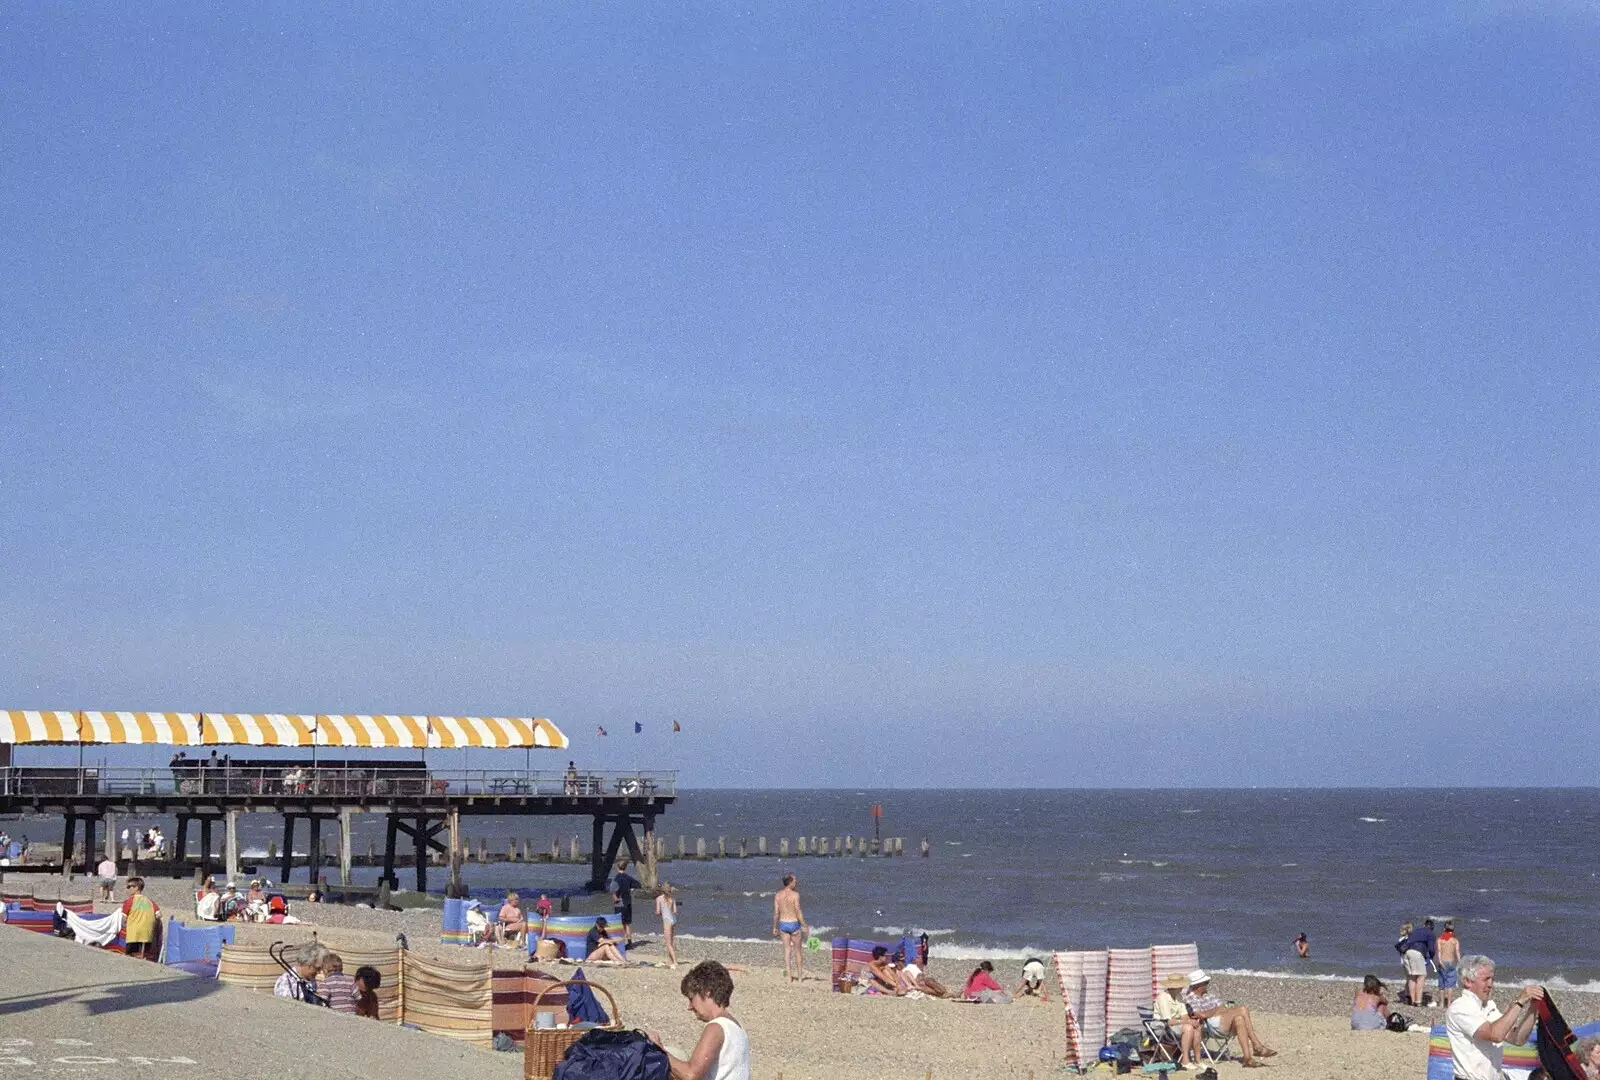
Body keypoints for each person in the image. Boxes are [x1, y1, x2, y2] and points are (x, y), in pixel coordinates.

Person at [648, 960, 749, 1080]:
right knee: (676, 1055)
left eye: (691, 999)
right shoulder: (736, 1027)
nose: (690, 1007)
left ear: (707, 993)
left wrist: (658, 1048)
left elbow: (691, 1075)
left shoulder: (717, 1027)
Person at [1445, 954, 1541, 1080]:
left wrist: (1533, 1009)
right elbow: (1495, 1034)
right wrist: (1520, 1001)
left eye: (1492, 979)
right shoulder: (1460, 1008)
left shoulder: (1489, 1006)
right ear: (1468, 981)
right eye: (1486, 979)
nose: (1491, 984)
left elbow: (1517, 1039)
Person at [1183, 970, 1276, 1068]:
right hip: (1209, 1026)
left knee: (1239, 1018)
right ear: (1198, 985)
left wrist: (1213, 1012)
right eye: (1205, 983)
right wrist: (1216, 1010)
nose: (1207, 985)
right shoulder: (1190, 998)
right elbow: (1201, 1015)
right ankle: (1257, 1045)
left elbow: (1223, 1008)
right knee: (1242, 1010)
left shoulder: (1208, 995)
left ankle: (1247, 1058)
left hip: (1220, 1021)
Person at [1154, 973, 1203, 1069]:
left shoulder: (1179, 997)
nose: (1182, 988)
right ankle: (1185, 1060)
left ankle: (1198, 1060)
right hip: (1163, 1028)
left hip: (1176, 1025)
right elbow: (1168, 1021)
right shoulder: (1163, 998)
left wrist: (1191, 1021)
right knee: (1188, 1027)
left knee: (1197, 1026)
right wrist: (1188, 1022)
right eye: (1180, 986)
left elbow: (1184, 1015)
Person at [771, 874, 809, 983]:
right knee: (798, 951)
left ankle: (789, 977)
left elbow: (776, 913)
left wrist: (774, 927)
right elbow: (798, 911)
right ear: (790, 882)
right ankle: (800, 977)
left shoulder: (778, 895)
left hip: (783, 924)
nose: (796, 883)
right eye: (795, 881)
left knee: (787, 951)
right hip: (794, 924)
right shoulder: (795, 895)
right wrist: (805, 926)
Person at [1397, 919, 1438, 1006]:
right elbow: (1431, 949)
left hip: (1407, 953)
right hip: (1417, 953)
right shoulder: (1431, 934)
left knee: (1412, 977)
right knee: (1421, 977)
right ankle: (1418, 1001)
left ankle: (1412, 1000)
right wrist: (1431, 957)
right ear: (1432, 928)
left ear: (1424, 925)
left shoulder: (1416, 931)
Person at [120, 877, 160, 961]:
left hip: (133, 934)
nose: (128, 889)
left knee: (130, 958)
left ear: (137, 888)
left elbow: (123, 919)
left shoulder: (129, 901)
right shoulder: (150, 901)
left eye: (129, 886)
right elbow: (158, 915)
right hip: (147, 935)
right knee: (144, 957)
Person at [611, 860, 641, 945]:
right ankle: (629, 941)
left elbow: (612, 890)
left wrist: (615, 898)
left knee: (620, 924)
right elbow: (638, 885)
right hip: (628, 902)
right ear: (625, 868)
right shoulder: (628, 878)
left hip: (620, 904)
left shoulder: (616, 878)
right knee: (627, 923)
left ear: (617, 867)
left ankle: (621, 942)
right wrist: (631, 889)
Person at [1437, 920, 1461, 1006]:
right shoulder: (1455, 940)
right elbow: (1457, 952)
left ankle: (1442, 1003)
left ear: (1444, 929)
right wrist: (1459, 962)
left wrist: (1439, 961)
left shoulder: (1440, 939)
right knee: (1450, 984)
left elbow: (1439, 951)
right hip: (1451, 962)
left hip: (1442, 961)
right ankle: (1449, 1003)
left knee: (1442, 984)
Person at [656, 882, 679, 967]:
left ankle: (675, 961)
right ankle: (670, 960)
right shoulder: (672, 899)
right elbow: (675, 911)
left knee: (668, 943)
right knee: (671, 942)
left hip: (667, 921)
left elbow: (658, 912)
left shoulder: (659, 898)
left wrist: (659, 913)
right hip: (673, 920)